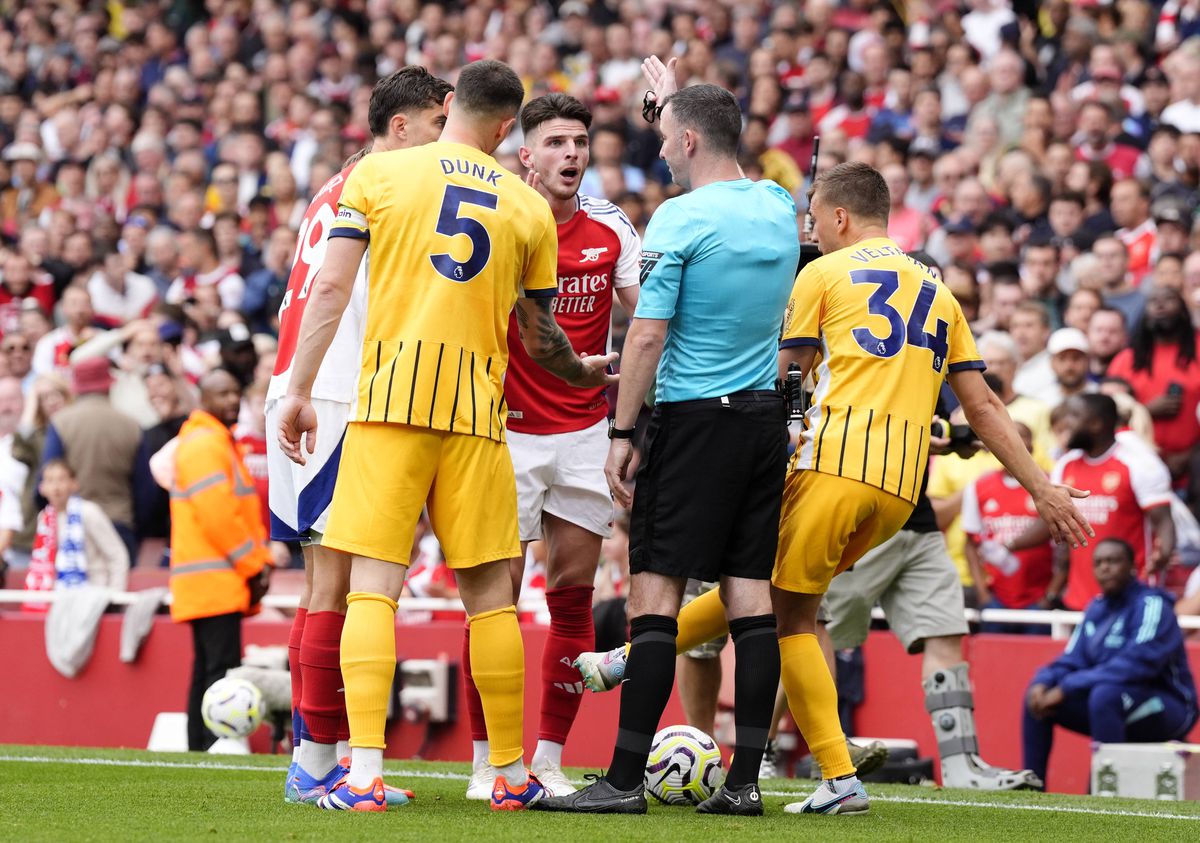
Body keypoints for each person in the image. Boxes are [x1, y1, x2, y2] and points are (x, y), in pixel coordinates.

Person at [580, 160, 1093, 816]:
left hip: (834, 466)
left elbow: (789, 370)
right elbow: (985, 406)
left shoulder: (823, 272)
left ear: (841, 216)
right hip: (898, 492)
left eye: (815, 216)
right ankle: (626, 659)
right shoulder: (938, 291)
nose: (811, 229)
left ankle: (837, 773)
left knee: (785, 616)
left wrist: (787, 427)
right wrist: (1041, 486)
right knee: (779, 593)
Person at [276, 59, 615, 813]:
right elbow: (540, 336)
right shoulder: (528, 210)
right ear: (507, 130)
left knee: (373, 587)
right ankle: (507, 771)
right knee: (493, 600)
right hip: (476, 418)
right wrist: (587, 375)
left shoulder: (378, 176)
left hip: (390, 407)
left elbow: (329, 288)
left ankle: (360, 774)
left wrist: (298, 391)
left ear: (452, 104)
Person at [536, 63, 797, 818]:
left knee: (654, 597)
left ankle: (621, 779)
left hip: (692, 421)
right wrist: (670, 99)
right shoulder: (779, 204)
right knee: (750, 598)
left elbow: (646, 336)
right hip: (759, 421)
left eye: (664, 136)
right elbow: (702, 133)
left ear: (686, 138)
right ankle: (745, 780)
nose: (659, 152)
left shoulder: (680, 219)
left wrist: (622, 429)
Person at [264, 66, 453, 807]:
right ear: (401, 127)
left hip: (304, 386)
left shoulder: (332, 185)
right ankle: (316, 761)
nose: (445, 143)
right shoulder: (383, 184)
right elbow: (340, 292)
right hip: (332, 394)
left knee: (323, 585)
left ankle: (323, 755)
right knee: (335, 588)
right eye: (438, 127)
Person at [459, 91, 642, 800]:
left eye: (579, 141)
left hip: (582, 434)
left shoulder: (611, 227)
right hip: (502, 432)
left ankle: (548, 759)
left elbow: (649, 315)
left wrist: (627, 424)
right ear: (525, 154)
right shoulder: (500, 214)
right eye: (556, 142)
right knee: (494, 602)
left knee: (572, 600)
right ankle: (487, 760)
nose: (572, 153)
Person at [1022, 538, 1198, 785]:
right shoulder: (1096, 608)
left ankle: (1102, 792)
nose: (1105, 568)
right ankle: (1031, 791)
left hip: (1169, 706)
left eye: (1113, 561)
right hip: (1114, 702)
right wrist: (1045, 681)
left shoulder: (1151, 605)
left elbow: (1137, 664)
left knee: (1105, 695)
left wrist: (1067, 688)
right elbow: (1072, 659)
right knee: (1036, 698)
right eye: (1099, 563)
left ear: (1131, 567)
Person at [168, 368, 273, 752]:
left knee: (208, 670)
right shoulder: (206, 444)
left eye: (235, 392)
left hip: (211, 580)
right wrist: (254, 564)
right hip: (216, 580)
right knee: (219, 671)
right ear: (203, 399)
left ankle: (201, 747)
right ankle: (213, 747)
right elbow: (219, 517)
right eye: (222, 393)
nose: (231, 400)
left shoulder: (211, 442)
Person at [1047, 394, 1175, 610]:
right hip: (1080, 597)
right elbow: (1055, 524)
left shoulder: (1138, 462)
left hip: (1132, 598)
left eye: (1075, 416)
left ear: (1096, 423)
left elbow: (1163, 521)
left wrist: (1164, 553)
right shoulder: (1065, 465)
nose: (1067, 424)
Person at [1106, 286, 1200, 509]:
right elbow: (1109, 415)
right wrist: (1145, 410)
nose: (1159, 305)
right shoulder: (1126, 359)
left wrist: (1192, 454)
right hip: (1141, 469)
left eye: (1168, 299)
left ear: (1183, 309)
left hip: (1194, 467)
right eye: (1153, 301)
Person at [41, 358, 141, 563]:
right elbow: (144, 491)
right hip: (119, 522)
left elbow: (46, 478)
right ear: (108, 387)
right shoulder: (132, 426)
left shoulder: (61, 423)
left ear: (77, 388)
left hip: (71, 525)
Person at [961, 423, 1055, 635]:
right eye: (1009, 438)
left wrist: (1051, 593)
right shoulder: (978, 487)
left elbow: (1065, 542)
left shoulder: (1051, 483)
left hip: (1038, 601)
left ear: (1032, 445)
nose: (1015, 443)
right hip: (996, 600)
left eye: (1023, 437)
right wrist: (982, 593)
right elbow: (970, 544)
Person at [30, 458, 129, 592]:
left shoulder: (89, 512)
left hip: (94, 592)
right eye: (50, 480)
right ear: (42, 488)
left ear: (74, 484)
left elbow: (117, 555)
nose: (56, 487)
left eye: (61, 480)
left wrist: (115, 596)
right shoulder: (44, 518)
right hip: (58, 594)